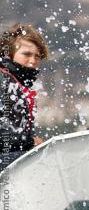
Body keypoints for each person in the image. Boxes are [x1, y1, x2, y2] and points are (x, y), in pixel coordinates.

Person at [0, 23, 48, 171]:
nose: (33, 61)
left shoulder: (17, 85)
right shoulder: (3, 80)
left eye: (38, 56)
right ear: (9, 54)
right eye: (26, 54)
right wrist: (30, 141)